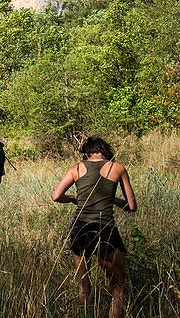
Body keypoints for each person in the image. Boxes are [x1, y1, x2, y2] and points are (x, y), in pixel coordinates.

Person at [51, 136, 137, 318]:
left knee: (83, 289)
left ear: (86, 153)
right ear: (104, 151)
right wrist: (111, 198)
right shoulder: (118, 168)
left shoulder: (76, 168)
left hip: (79, 228)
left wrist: (73, 199)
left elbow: (56, 195)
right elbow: (131, 206)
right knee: (118, 289)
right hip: (104, 228)